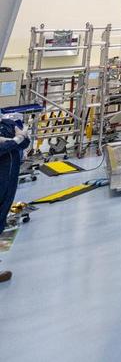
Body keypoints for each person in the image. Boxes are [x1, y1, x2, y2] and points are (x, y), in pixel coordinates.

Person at [0, 114, 31, 283]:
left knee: (1, 221)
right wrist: (16, 140)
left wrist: (23, 137)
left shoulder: (8, 123)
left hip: (9, 182)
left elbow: (24, 144)